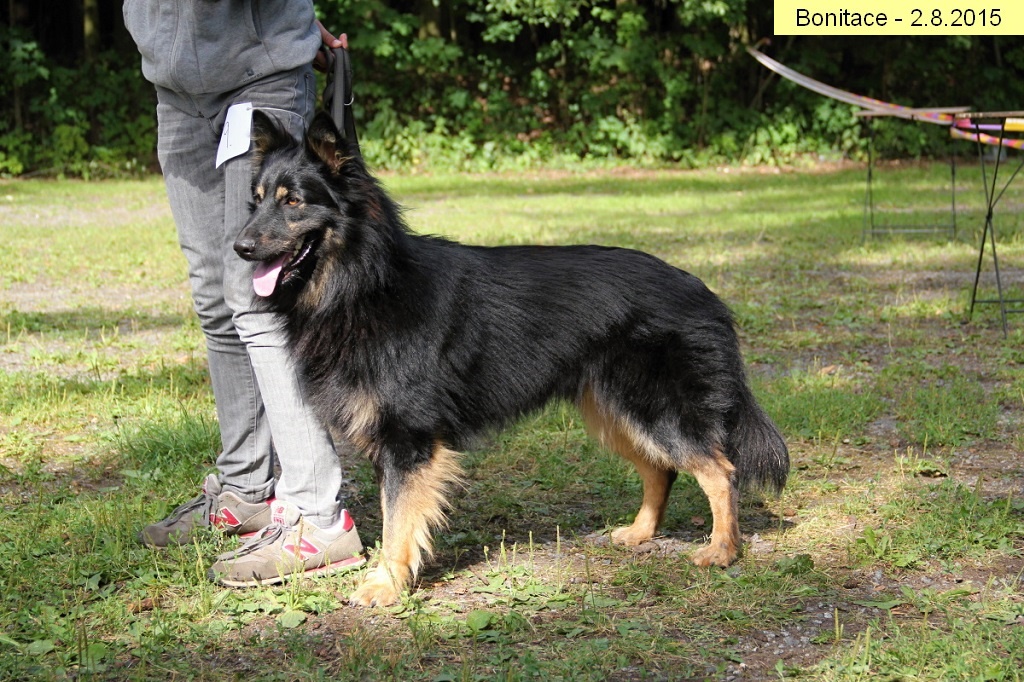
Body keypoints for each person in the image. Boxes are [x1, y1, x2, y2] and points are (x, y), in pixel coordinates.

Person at [123, 0, 364, 585]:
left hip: (259, 77)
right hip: (175, 86)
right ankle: (246, 490)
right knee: (214, 297)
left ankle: (317, 516)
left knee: (257, 300)